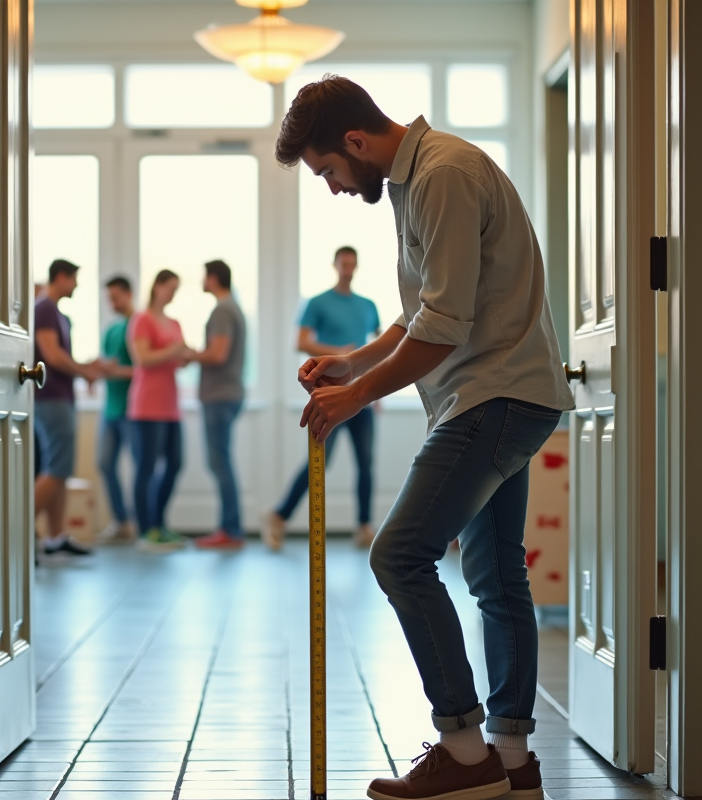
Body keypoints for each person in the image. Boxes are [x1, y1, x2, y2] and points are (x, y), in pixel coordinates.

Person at [277, 76, 575, 800]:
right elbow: (425, 312)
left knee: (401, 555)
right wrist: (354, 360)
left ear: (354, 142)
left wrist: (357, 395)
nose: (335, 188)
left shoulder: (442, 175)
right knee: (498, 579)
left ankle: (464, 753)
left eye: (328, 173)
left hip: (491, 397)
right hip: (500, 396)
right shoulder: (417, 181)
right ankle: (511, 763)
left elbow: (443, 327)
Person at [263, 246, 380, 551]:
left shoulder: (368, 306)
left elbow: (380, 346)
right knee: (319, 462)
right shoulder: (317, 303)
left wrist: (378, 391)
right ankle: (278, 517)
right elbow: (300, 341)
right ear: (335, 265)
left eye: (353, 264)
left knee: (366, 463)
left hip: (363, 395)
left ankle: (364, 527)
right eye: (344, 264)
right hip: (330, 394)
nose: (348, 269)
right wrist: (340, 353)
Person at [33, 259, 100, 558]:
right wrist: (83, 371)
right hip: (51, 399)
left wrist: (86, 367)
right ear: (61, 277)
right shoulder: (45, 308)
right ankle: (15, 533)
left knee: (57, 468)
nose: (76, 286)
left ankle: (55, 537)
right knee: (57, 469)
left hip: (59, 398)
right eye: (74, 279)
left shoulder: (56, 312)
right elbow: (51, 355)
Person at [186, 260, 248, 549]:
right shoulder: (231, 306)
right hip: (227, 394)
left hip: (220, 395)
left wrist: (189, 354)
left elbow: (218, 354)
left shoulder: (223, 309)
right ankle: (230, 528)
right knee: (221, 461)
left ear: (213, 278)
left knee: (219, 462)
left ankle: (230, 530)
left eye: (204, 276)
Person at [128, 269, 191, 552]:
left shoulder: (175, 322)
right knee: (146, 467)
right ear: (158, 287)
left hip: (170, 406)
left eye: (177, 289)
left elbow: (175, 359)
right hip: (146, 406)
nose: (174, 293)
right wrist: (174, 351)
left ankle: (158, 523)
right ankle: (145, 531)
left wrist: (185, 356)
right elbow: (142, 358)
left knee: (175, 463)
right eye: (171, 287)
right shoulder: (141, 319)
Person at [96, 275, 137, 544]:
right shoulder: (111, 329)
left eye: (115, 297)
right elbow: (104, 363)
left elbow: (144, 370)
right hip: (110, 409)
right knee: (105, 464)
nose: (111, 302)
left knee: (140, 467)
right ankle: (120, 520)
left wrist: (118, 371)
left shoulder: (139, 326)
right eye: (108, 298)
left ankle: (142, 521)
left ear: (128, 294)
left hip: (133, 410)